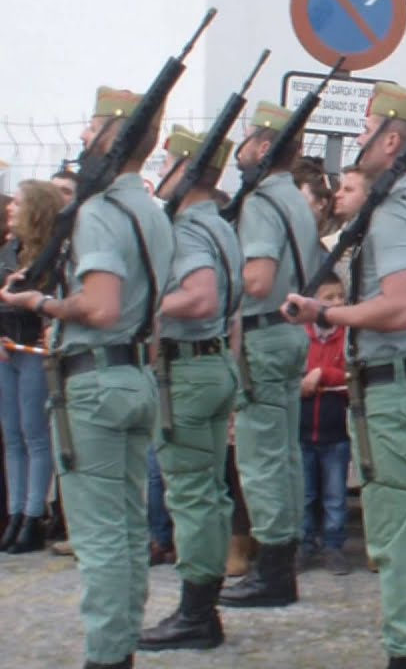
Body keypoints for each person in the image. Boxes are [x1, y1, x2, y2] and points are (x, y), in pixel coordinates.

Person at [285, 82, 406, 668]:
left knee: (398, 529)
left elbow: (402, 306)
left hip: (396, 385)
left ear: (390, 140)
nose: (357, 140)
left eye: (365, 130)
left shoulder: (397, 213)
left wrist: (325, 314)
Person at [1, 86, 176, 669]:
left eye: (92, 126)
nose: (82, 136)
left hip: (96, 380)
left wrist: (40, 303)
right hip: (133, 373)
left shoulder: (100, 212)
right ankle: (119, 646)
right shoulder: (150, 210)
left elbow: (99, 306)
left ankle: (106, 654)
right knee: (125, 529)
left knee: (101, 535)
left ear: (114, 136)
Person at [137, 126, 244, 652]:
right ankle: (203, 605)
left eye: (168, 164)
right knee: (210, 493)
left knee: (192, 495)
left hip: (188, 369)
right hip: (214, 361)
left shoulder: (186, 229)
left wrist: (142, 306)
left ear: (186, 169)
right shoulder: (219, 223)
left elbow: (201, 298)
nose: (161, 174)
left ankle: (196, 613)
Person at [221, 101, 321, 609]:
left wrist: (218, 283)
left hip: (262, 332)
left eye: (246, 140)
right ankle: (282, 558)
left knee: (260, 456)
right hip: (290, 331)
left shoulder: (262, 201)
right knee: (284, 452)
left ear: (262, 146)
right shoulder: (295, 198)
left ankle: (272, 569)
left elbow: (257, 280)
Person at [0, 179, 60, 554]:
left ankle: (33, 514)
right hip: (7, 348)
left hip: (35, 349)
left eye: (18, 203)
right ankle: (16, 512)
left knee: (35, 433)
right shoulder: (8, 251)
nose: (10, 208)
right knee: (12, 434)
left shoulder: (52, 255)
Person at [297, 273, 350, 576]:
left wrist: (323, 375)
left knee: (335, 495)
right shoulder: (301, 336)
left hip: (336, 431)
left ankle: (333, 545)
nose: (337, 303)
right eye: (328, 298)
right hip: (303, 429)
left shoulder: (348, 337)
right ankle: (304, 544)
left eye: (340, 296)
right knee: (304, 494)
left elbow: (350, 375)